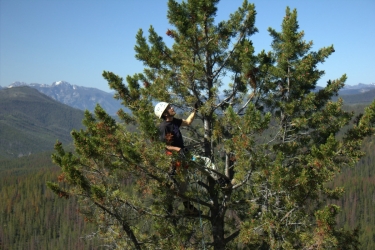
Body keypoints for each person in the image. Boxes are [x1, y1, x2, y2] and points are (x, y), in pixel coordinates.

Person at [154, 101, 201, 215]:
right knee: (182, 183)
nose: (172, 108)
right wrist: (177, 149)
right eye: (169, 107)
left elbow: (188, 122)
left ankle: (187, 206)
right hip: (174, 158)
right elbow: (163, 146)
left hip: (182, 154)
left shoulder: (174, 122)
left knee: (199, 164)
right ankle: (186, 207)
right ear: (165, 113)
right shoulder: (164, 127)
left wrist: (195, 110)